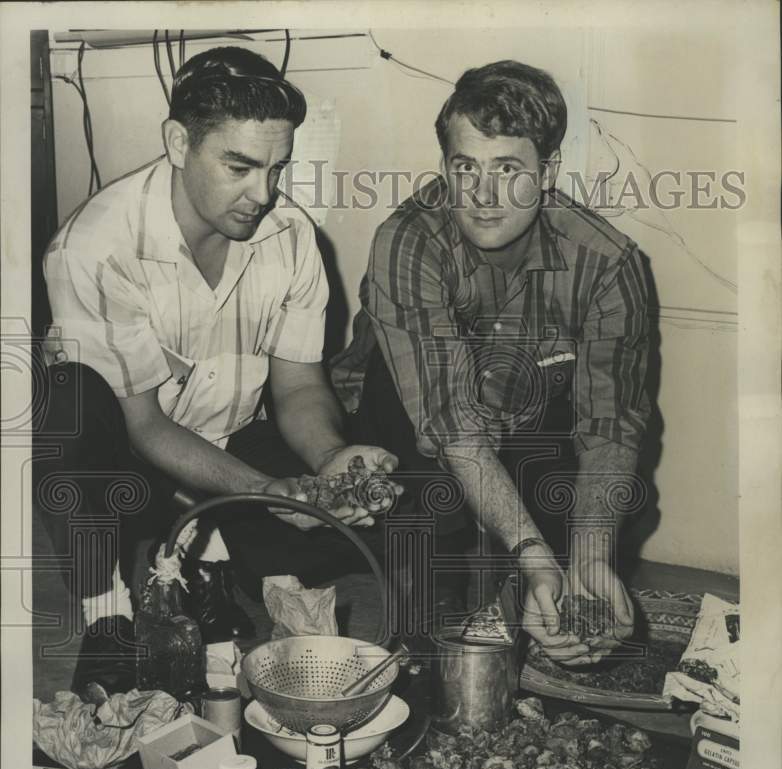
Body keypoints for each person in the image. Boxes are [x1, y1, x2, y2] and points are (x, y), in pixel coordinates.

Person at [35, 46, 398, 698]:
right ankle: (109, 616)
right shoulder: (93, 247)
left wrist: (332, 457)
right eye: (239, 166)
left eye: (276, 167)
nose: (263, 193)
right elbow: (144, 427)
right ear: (178, 141)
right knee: (65, 400)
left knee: (387, 517)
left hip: (226, 454)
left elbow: (298, 387)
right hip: (130, 466)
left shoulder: (290, 238)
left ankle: (204, 567)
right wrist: (269, 494)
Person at [331, 60, 650, 665]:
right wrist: (533, 553)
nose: (482, 196)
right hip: (408, 422)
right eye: (465, 169)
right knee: (431, 498)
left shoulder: (608, 263)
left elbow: (611, 422)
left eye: (508, 170)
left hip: (522, 411)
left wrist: (590, 552)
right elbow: (450, 423)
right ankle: (427, 622)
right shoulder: (408, 239)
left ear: (547, 171)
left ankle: (548, 588)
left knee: (615, 505)